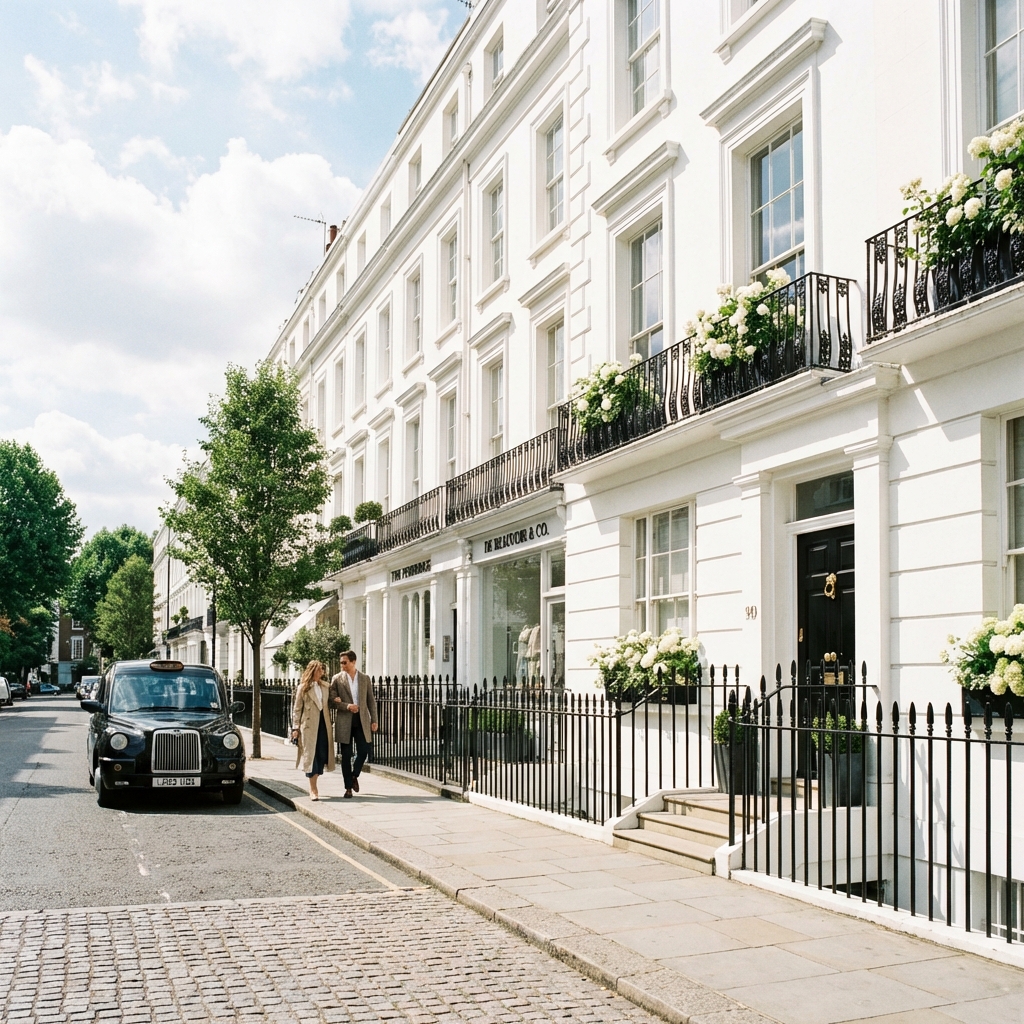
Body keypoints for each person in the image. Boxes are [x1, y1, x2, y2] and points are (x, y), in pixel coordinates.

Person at [329, 650, 377, 798]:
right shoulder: (337, 679)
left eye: (345, 662)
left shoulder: (364, 678)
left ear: (353, 661)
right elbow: (331, 701)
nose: (342, 665)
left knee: (364, 750)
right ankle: (348, 788)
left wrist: (374, 720)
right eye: (341, 662)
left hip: (361, 720)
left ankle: (354, 775)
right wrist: (346, 706)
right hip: (344, 720)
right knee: (346, 755)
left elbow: (371, 701)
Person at [291, 660, 334, 800]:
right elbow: (297, 709)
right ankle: (313, 789)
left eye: (322, 670)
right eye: (319, 670)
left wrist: (338, 701)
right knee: (311, 757)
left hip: (323, 724)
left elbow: (330, 703)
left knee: (322, 754)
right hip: (309, 726)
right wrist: (295, 728)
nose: (321, 672)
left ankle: (315, 782)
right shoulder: (303, 688)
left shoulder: (326, 687)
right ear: (312, 671)